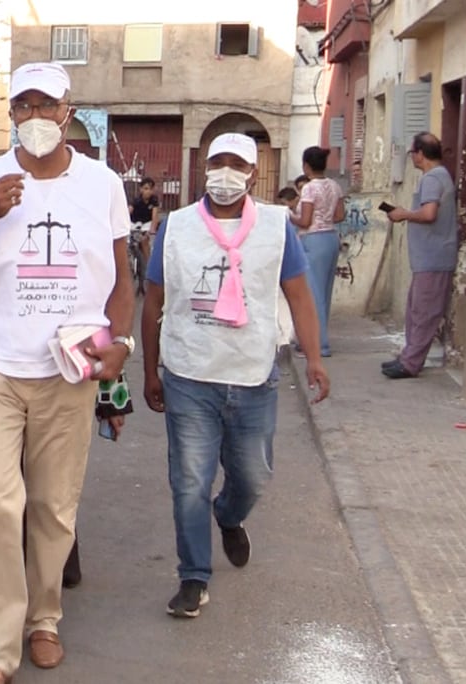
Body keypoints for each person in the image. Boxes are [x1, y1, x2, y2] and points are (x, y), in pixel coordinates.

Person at [0, 62, 135, 683]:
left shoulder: (101, 185)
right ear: (10, 113)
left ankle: (44, 617)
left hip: (68, 370)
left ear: (68, 110)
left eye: (48, 105)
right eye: (24, 105)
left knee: (52, 505)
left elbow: (123, 280)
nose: (36, 117)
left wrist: (121, 342)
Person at [141, 132, 330, 619]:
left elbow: (299, 295)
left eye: (236, 164)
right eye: (217, 162)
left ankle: (229, 515)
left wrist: (314, 358)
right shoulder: (178, 226)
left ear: (251, 171)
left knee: (253, 477)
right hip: (189, 373)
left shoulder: (275, 225)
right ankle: (193, 577)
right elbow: (154, 301)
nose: (226, 172)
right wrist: (150, 370)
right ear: (205, 167)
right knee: (188, 481)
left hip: (252, 374)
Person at [0, 295, 133, 589]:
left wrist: (111, 398)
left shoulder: (75, 257)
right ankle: (8, 575)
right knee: (1, 489)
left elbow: (97, 324)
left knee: (52, 487)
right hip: (1, 382)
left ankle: (55, 567)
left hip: (62, 379)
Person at [383, 133, 459, 379]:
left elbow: (429, 214)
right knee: (417, 309)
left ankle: (411, 363)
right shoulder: (438, 177)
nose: (412, 158)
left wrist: (404, 214)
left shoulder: (433, 179)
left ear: (420, 153)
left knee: (424, 311)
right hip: (429, 256)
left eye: (413, 153)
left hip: (434, 256)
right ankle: (409, 356)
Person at [290, 146, 346, 358]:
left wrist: (288, 215)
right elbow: (340, 215)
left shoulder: (309, 189)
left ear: (306, 166)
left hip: (312, 239)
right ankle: (316, 339)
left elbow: (304, 221)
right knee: (324, 292)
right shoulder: (335, 185)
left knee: (312, 294)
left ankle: (316, 344)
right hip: (331, 238)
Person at [129, 177, 161, 264]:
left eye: (150, 189)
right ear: (141, 189)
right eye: (146, 188)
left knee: (144, 241)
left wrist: (152, 231)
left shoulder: (154, 201)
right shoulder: (136, 200)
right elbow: (128, 212)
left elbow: (154, 217)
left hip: (147, 224)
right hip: (135, 224)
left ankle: (149, 266)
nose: (148, 191)